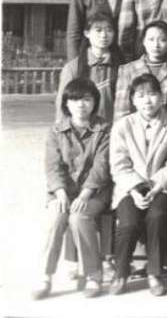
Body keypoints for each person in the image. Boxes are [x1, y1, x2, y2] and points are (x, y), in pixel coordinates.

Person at [33, 77, 111, 300]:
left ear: (95, 102)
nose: (81, 105)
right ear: (66, 103)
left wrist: (85, 194)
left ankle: (93, 275)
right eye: (75, 100)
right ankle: (44, 276)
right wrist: (60, 192)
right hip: (63, 191)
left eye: (86, 99)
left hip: (94, 191)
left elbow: (101, 166)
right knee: (56, 217)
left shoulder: (104, 129)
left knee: (79, 217)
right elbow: (52, 166)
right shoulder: (56, 131)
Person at [108, 73, 167, 295]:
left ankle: (155, 272)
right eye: (140, 96)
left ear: (162, 97)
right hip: (130, 186)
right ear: (133, 100)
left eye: (152, 94)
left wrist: (156, 186)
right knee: (129, 222)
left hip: (163, 185)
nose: (147, 101)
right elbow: (118, 164)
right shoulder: (123, 125)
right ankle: (121, 272)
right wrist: (134, 190)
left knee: (158, 216)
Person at [56, 13, 120, 122]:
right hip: (84, 127)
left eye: (109, 30)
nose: (104, 35)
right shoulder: (73, 68)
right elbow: (63, 103)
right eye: (98, 30)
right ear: (87, 33)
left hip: (114, 127)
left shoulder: (122, 66)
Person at [114, 20, 167, 121]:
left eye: (163, 40)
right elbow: (121, 110)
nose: (156, 45)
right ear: (143, 41)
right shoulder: (128, 70)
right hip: (136, 126)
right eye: (151, 39)